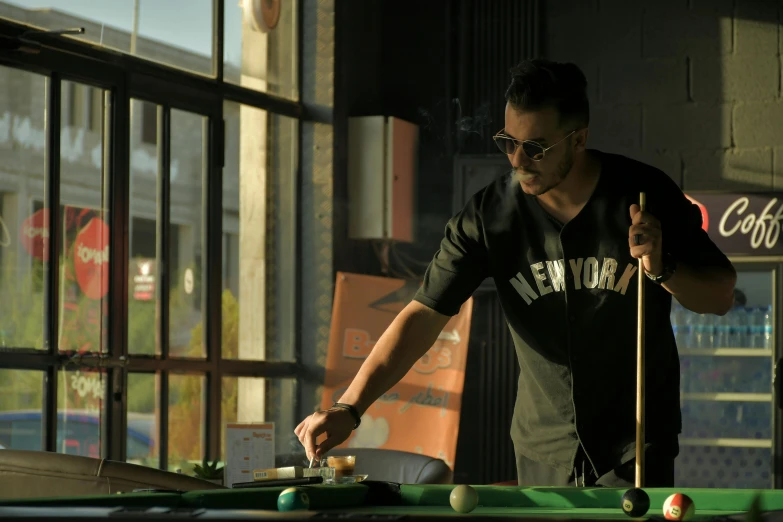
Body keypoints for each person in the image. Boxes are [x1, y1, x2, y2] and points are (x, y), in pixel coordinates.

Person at [295, 59, 737, 487]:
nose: (518, 160)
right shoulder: (489, 216)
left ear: (578, 139)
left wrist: (662, 268)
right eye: (508, 141)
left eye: (536, 147)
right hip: (543, 446)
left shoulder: (644, 194)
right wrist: (349, 408)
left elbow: (719, 297)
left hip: (636, 444)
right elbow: (423, 315)